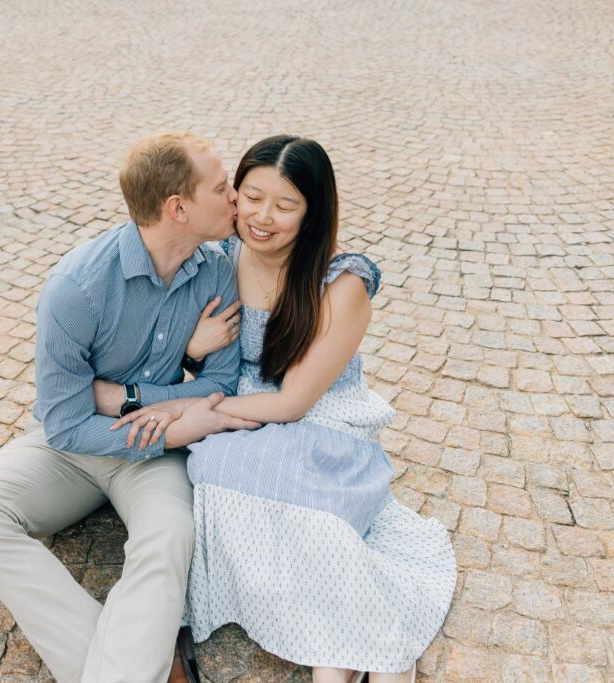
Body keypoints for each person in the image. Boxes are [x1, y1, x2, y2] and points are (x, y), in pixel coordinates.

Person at [110, 135, 457, 683]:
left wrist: (204, 412)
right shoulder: (217, 261)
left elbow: (294, 402)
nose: (261, 217)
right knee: (214, 474)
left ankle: (341, 657)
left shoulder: (341, 286)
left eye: (285, 205)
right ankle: (339, 651)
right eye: (250, 197)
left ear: (313, 212)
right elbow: (155, 354)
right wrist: (191, 350)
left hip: (318, 417)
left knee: (295, 501)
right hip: (237, 410)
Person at [0, 132, 260, 683]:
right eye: (222, 187)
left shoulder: (219, 272)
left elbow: (222, 388)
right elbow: (65, 424)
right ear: (177, 208)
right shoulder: (76, 287)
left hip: (154, 456)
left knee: (169, 536)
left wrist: (136, 393)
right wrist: (159, 414)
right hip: (88, 446)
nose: (236, 198)